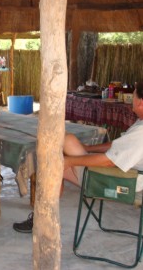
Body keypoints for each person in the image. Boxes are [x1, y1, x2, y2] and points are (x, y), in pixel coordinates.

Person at [13, 82, 143, 233]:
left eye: (133, 95)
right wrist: (87, 149)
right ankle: (43, 219)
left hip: (124, 183)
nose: (131, 98)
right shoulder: (140, 124)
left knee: (53, 165)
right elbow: (116, 146)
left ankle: (41, 220)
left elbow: (108, 161)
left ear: (140, 102)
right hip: (125, 176)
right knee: (64, 148)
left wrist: (68, 161)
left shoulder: (140, 133)